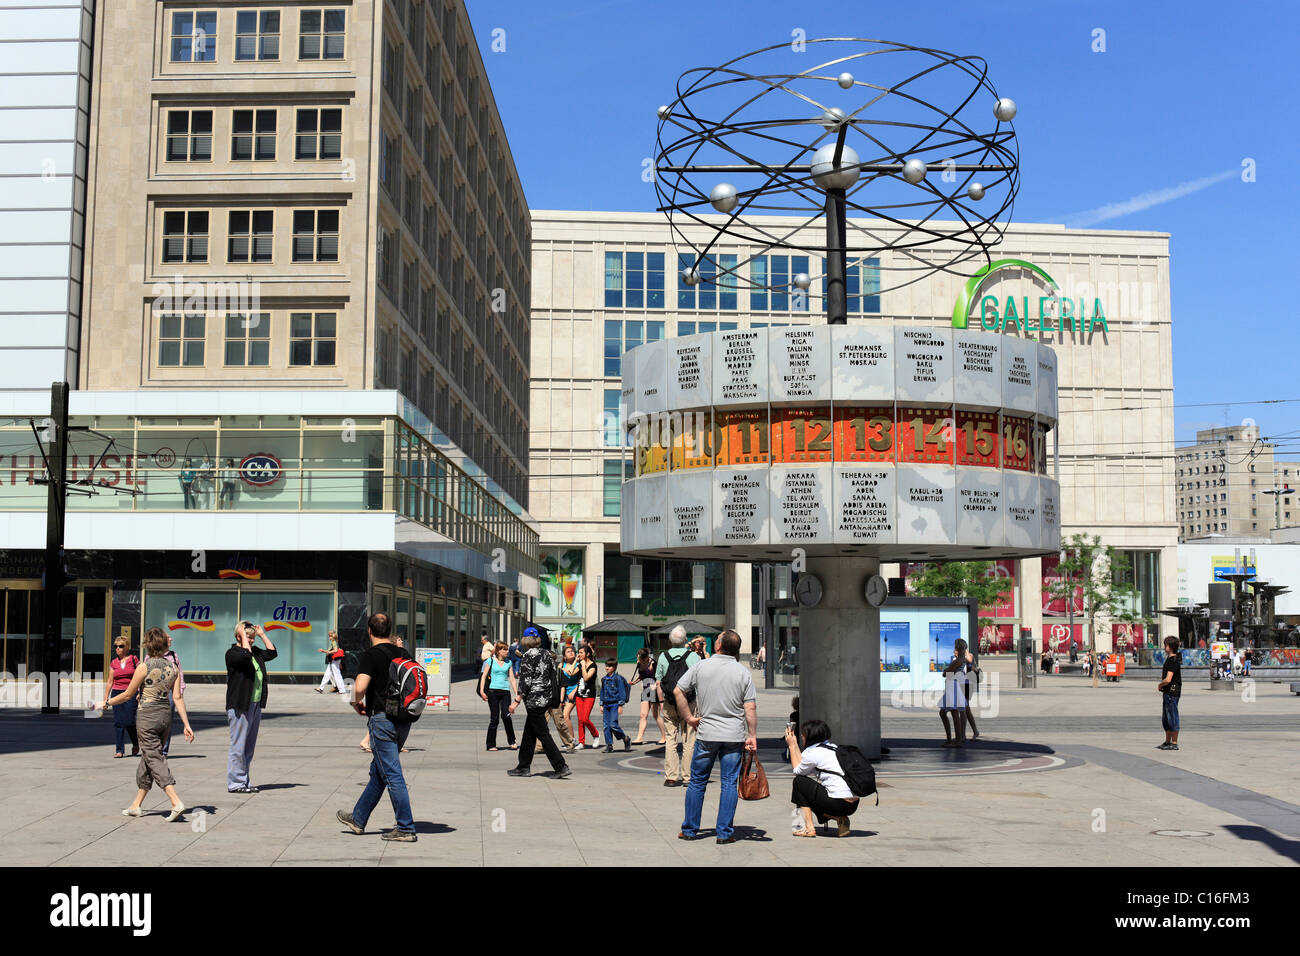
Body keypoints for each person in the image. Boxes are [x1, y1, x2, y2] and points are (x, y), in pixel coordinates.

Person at [91, 626, 194, 820]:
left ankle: (175, 801)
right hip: (165, 716)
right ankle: (136, 805)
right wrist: (186, 724)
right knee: (149, 757)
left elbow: (128, 694)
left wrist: (105, 703)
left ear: (148, 645)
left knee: (154, 758)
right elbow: (178, 697)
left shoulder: (144, 666)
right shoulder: (173, 667)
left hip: (148, 715)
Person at [337, 613, 418, 841]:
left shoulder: (371, 655)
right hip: (403, 720)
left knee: (392, 774)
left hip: (382, 719)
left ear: (369, 631)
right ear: (390, 630)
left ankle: (405, 828)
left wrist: (355, 703)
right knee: (379, 772)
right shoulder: (403, 653)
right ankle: (358, 818)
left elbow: (360, 688)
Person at [674, 629, 757, 844]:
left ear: (718, 645)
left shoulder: (702, 666)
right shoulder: (743, 672)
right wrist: (753, 735)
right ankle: (724, 832)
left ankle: (690, 829)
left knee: (697, 781)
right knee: (729, 783)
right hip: (734, 735)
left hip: (707, 733)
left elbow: (678, 691)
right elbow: (750, 707)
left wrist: (689, 718)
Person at [507, 631, 571, 778]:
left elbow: (525, 682)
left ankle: (560, 766)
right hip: (545, 698)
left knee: (543, 734)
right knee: (529, 734)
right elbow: (553, 676)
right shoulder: (547, 654)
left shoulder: (528, 656)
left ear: (525, 640)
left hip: (533, 701)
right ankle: (523, 766)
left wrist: (516, 702)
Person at [224, 619, 276, 794]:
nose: (251, 640)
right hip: (240, 704)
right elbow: (244, 656)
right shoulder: (233, 653)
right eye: (248, 637)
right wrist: (243, 635)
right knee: (238, 745)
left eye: (252, 638)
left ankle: (243, 781)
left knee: (248, 746)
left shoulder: (254, 652)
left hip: (254, 704)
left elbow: (272, 653)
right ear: (238, 636)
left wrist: (261, 635)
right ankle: (235, 783)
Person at [785, 719, 859, 838]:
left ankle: (808, 827)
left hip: (837, 803)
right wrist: (794, 744)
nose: (802, 738)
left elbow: (797, 771)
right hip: (852, 804)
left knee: (799, 783)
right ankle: (840, 818)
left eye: (803, 735)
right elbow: (802, 763)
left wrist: (791, 745)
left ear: (809, 737)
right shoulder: (834, 747)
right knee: (806, 789)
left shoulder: (813, 752)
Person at [656, 625, 701, 787]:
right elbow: (698, 682)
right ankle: (687, 777)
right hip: (688, 702)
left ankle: (671, 776)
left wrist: (661, 702)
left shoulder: (663, 656)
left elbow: (659, 682)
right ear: (685, 640)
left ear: (670, 640)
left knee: (670, 738)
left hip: (669, 701)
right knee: (689, 739)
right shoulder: (694, 657)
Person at [478, 641, 518, 751]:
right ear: (499, 651)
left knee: (506, 716)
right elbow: (484, 676)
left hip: (505, 692)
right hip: (493, 692)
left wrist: (516, 693)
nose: (507, 651)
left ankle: (512, 741)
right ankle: (490, 744)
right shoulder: (490, 661)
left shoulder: (509, 662)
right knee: (494, 718)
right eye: (504, 649)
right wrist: (482, 691)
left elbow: (512, 679)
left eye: (507, 649)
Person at [105, 636, 140, 758]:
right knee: (119, 722)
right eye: (116, 646)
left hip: (131, 693)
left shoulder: (134, 660)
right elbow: (110, 681)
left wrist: (140, 692)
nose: (118, 649)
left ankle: (135, 743)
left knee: (129, 720)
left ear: (127, 647)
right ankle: (119, 750)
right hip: (117, 693)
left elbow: (141, 677)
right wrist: (106, 699)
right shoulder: (114, 663)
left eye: (120, 646)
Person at [629, 647, 666, 745]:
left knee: (656, 715)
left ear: (646, 658)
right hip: (646, 690)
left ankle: (664, 737)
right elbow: (642, 675)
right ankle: (639, 737)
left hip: (654, 690)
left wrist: (655, 685)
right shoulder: (639, 663)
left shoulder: (653, 664)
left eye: (640, 659)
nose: (638, 660)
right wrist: (634, 682)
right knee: (643, 715)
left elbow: (660, 677)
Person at [939, 639, 968, 747]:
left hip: (953, 686)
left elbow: (947, 673)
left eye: (956, 647)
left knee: (953, 713)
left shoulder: (958, 660)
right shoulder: (960, 660)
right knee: (950, 712)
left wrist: (946, 671)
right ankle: (954, 739)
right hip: (953, 685)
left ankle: (956, 739)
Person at [599, 658, 632, 753]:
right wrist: (601, 704)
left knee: (613, 725)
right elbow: (602, 692)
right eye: (606, 666)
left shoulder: (618, 679)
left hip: (615, 705)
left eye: (609, 666)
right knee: (606, 726)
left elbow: (622, 692)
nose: (606, 668)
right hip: (606, 705)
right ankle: (609, 745)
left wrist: (621, 705)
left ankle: (625, 738)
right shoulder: (604, 679)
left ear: (614, 668)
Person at [160, 642, 187, 757]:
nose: (170, 639)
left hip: (171, 691)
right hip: (156, 692)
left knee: (167, 721)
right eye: (167, 637)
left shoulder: (173, 655)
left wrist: (180, 689)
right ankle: (155, 749)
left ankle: (164, 750)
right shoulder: (150, 657)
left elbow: (179, 673)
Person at [572, 644, 600, 748]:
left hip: (589, 695)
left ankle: (596, 735)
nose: (579, 654)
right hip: (579, 695)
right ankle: (581, 742)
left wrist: (583, 665)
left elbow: (587, 677)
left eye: (581, 652)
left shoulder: (593, 665)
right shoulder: (580, 663)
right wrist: (576, 661)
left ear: (587, 654)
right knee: (580, 720)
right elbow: (571, 672)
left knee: (585, 718)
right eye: (578, 652)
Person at [1157, 635, 1182, 751]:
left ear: (1170, 647)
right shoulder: (1171, 659)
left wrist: (1160, 684)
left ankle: (1174, 742)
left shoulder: (1173, 661)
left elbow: (1168, 679)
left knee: (1172, 716)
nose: (1164, 647)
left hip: (1172, 692)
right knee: (1166, 717)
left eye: (1165, 645)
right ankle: (1167, 741)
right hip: (1168, 692)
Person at [559, 643, 582, 751]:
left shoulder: (578, 665)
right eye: (568, 651)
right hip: (564, 693)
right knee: (564, 718)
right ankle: (568, 740)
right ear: (564, 656)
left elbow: (581, 680)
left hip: (574, 692)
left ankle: (572, 740)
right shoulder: (561, 665)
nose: (571, 652)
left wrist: (574, 690)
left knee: (565, 715)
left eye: (572, 651)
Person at [315, 629, 347, 695]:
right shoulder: (334, 641)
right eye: (329, 636)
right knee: (327, 674)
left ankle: (342, 690)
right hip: (333, 660)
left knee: (337, 674)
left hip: (335, 660)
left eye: (330, 636)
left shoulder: (334, 641)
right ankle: (321, 688)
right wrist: (326, 651)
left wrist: (325, 651)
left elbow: (335, 650)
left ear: (333, 636)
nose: (329, 637)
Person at [962, 645, 981, 741]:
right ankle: (974, 731)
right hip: (961, 683)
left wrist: (965, 652)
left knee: (965, 708)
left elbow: (969, 660)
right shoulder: (958, 657)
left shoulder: (969, 655)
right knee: (966, 709)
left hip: (968, 684)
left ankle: (963, 734)